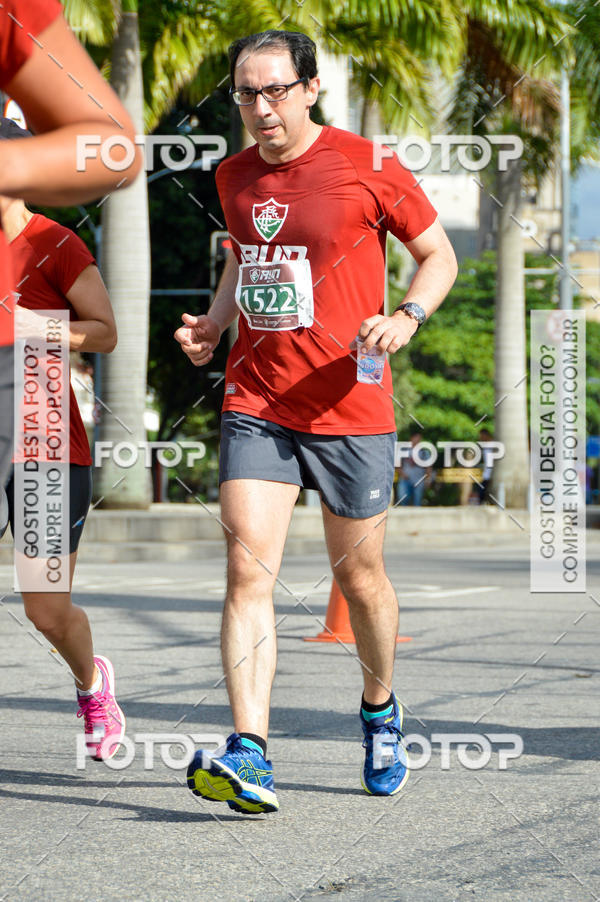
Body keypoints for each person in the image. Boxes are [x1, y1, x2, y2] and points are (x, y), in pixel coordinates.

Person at [176, 30, 457, 813]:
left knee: (358, 578)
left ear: (308, 89)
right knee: (245, 570)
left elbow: (439, 256)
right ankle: (251, 754)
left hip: (350, 403)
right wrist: (212, 323)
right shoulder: (233, 175)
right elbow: (243, 256)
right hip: (258, 399)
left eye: (273, 91)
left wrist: (406, 315)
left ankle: (379, 710)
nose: (259, 109)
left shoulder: (368, 166)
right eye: (244, 94)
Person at [1, 0, 141, 503]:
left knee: (45, 583)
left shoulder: (54, 241)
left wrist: (35, 327)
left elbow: (105, 335)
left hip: (46, 448)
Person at [395, 432, 432, 506]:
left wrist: (428, 479)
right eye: (416, 438)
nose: (418, 440)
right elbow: (397, 465)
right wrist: (402, 474)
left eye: (419, 439)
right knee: (403, 498)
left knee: (417, 501)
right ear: (411, 438)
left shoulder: (424, 452)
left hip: (419, 479)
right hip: (405, 479)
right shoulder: (404, 450)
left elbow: (428, 467)